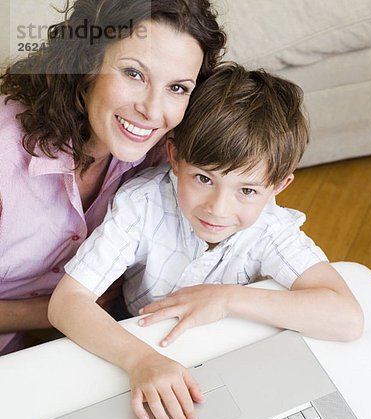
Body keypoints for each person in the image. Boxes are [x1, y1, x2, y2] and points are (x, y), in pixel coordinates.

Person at [48, 63, 364, 419]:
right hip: (140, 342)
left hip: (222, 356)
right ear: (175, 158)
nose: (218, 208)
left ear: (278, 186)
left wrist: (225, 298)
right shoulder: (142, 205)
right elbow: (66, 302)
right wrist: (140, 360)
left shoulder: (270, 227)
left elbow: (347, 317)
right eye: (203, 178)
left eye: (246, 191)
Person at [0, 0, 225, 355]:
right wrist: (57, 311)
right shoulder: (4, 159)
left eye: (178, 88)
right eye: (134, 74)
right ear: (86, 64)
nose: (152, 110)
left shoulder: (162, 149)